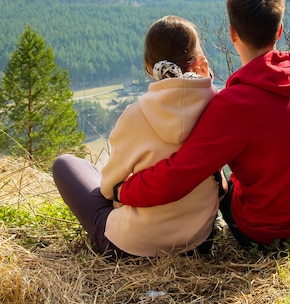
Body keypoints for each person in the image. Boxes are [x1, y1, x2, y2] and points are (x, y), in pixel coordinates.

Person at [117, 0, 290, 248]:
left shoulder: (234, 105)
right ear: (279, 30)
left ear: (232, 33)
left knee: (216, 174)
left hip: (269, 232)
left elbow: (177, 176)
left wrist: (124, 191)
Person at [53, 16, 220, 258]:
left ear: (149, 65)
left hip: (132, 247)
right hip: (198, 242)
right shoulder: (218, 108)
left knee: (65, 164)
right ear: (198, 60)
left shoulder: (135, 115)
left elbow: (109, 190)